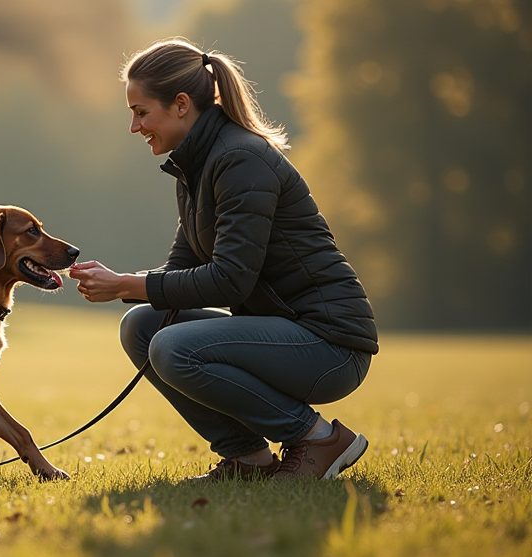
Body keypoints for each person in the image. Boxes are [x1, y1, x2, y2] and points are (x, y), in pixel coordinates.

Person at [68, 38, 379, 481]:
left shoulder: (240, 159)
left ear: (180, 105)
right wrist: (120, 282)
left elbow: (229, 280)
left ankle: (319, 439)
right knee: (142, 325)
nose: (135, 127)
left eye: (140, 112)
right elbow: (181, 270)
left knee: (172, 346)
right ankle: (247, 458)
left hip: (330, 345)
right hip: (285, 333)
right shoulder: (197, 164)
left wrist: (124, 284)